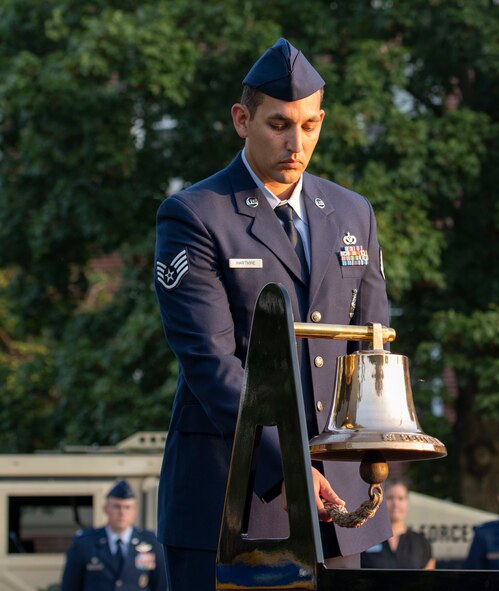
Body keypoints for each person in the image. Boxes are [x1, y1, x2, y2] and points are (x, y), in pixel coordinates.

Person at [153, 37, 391, 588]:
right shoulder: (195, 215)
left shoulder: (353, 213)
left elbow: (371, 349)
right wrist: (289, 467)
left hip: (336, 506)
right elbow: (211, 364)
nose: (296, 143)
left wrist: (375, 457)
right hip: (230, 500)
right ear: (242, 120)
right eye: (279, 125)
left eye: (308, 126)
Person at [60, 480, 166, 591]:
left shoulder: (152, 542)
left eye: (127, 507)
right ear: (105, 508)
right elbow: (70, 586)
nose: (122, 513)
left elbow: (161, 585)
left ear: (135, 511)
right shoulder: (85, 543)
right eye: (116, 506)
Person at [361, 479, 435, 569]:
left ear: (407, 502)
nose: (395, 504)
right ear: (380, 502)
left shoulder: (421, 543)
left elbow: (428, 575)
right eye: (390, 498)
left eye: (401, 498)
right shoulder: (366, 540)